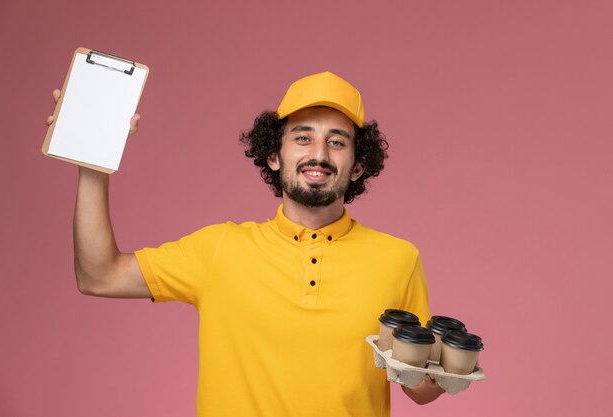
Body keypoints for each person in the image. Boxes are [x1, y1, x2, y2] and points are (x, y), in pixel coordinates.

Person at [46, 71, 444, 416]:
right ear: (274, 155)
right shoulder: (220, 249)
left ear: (358, 164)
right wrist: (92, 163)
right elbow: (99, 276)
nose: (318, 154)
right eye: (302, 138)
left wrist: (449, 373)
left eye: (337, 142)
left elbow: (417, 388)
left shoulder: (398, 259)